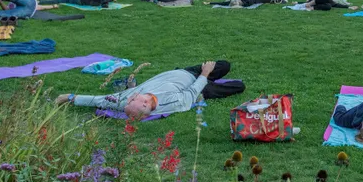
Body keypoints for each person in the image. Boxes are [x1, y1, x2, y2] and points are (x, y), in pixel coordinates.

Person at [56, 61, 245, 120]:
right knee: (238, 86)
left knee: (224, 65)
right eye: (132, 100)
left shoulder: (124, 101)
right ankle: (211, 80)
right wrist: (204, 74)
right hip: (195, 84)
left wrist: (70, 97)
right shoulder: (173, 102)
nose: (129, 98)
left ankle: (210, 73)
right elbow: (191, 93)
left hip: (184, 71)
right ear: (146, 104)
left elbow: (98, 100)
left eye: (129, 100)